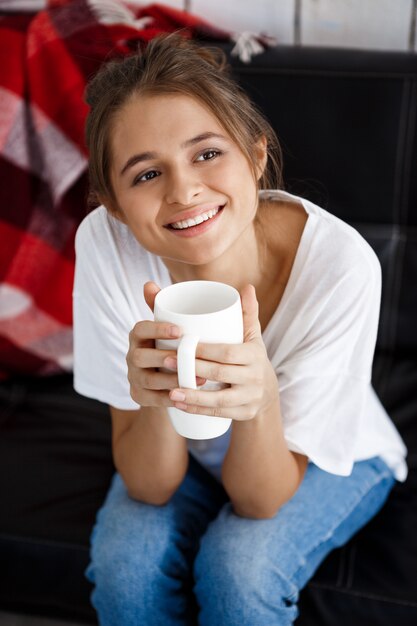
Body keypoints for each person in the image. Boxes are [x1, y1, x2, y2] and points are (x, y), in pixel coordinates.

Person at [73, 33, 407, 626]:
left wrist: (261, 399)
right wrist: (154, 396)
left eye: (207, 154)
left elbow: (261, 500)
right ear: (114, 206)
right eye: (146, 174)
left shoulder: (341, 265)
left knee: (238, 573)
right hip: (189, 449)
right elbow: (150, 486)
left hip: (331, 450)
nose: (184, 191)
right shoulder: (106, 244)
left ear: (254, 157)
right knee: (126, 570)